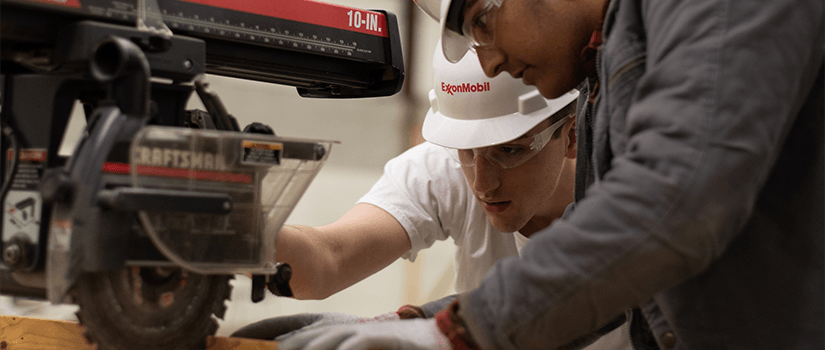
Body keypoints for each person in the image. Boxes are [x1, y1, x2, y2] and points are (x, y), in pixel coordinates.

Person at [279, 0, 824, 348]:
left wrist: (453, 334)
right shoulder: (617, 62)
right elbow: (612, 282)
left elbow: (674, 203)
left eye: (483, 25)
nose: (487, 62)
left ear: (566, 135)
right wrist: (416, 323)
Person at [236, 42, 634, 348]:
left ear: (571, 134)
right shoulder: (443, 167)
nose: (483, 182)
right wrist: (236, 230)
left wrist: (415, 326)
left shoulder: (631, 196)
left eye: (510, 150)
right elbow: (329, 258)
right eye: (466, 151)